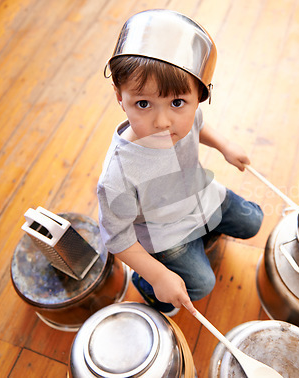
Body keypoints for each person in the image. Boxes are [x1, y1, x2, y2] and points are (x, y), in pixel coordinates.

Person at [97, 9, 263, 316]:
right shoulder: (118, 175)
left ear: (199, 96)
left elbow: (198, 123)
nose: (162, 121)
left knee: (254, 220)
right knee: (201, 284)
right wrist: (158, 276)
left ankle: (206, 232)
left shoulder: (186, 117)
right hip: (166, 232)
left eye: (177, 102)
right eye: (143, 103)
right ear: (119, 96)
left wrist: (225, 146)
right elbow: (116, 236)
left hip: (202, 195)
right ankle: (148, 288)